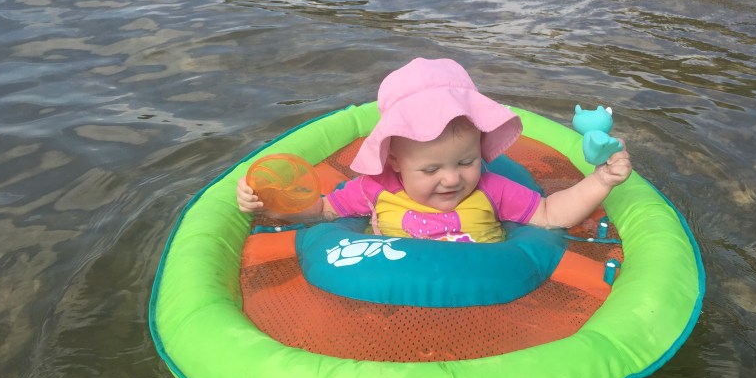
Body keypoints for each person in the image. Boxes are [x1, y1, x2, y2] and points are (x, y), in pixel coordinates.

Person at [237, 57, 632, 243]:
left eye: (467, 161)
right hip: (391, 287)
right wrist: (268, 204)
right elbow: (322, 211)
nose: (452, 178)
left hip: (482, 288)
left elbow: (549, 214)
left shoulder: (492, 190)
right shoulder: (374, 188)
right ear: (394, 162)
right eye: (430, 170)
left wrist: (602, 180)